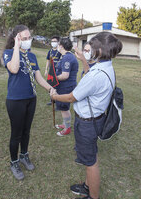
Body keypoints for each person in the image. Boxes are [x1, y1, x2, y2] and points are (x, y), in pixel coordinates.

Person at [50, 32, 122, 199]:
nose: (87, 51)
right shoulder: (106, 66)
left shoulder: (97, 75)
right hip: (95, 120)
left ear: (100, 51)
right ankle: (87, 186)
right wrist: (84, 60)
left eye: (91, 48)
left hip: (87, 124)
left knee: (91, 163)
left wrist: (54, 96)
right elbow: (89, 74)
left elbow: (71, 97)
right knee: (91, 157)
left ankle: (92, 196)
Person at [3, 25, 53, 180]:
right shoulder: (9, 53)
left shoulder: (31, 57)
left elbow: (38, 77)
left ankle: (24, 155)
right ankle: (14, 162)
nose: (28, 41)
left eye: (28, 37)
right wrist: (17, 47)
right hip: (16, 100)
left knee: (26, 131)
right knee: (16, 133)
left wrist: (51, 89)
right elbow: (14, 69)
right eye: (23, 38)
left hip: (31, 98)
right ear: (16, 39)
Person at [54, 37, 79, 136]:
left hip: (65, 87)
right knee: (63, 108)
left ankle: (67, 128)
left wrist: (54, 78)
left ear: (61, 46)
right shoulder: (66, 56)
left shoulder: (67, 57)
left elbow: (65, 75)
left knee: (64, 108)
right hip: (64, 86)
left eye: (59, 44)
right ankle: (65, 124)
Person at [44, 36, 62, 105]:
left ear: (58, 42)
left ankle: (59, 101)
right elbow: (48, 60)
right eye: (52, 41)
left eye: (55, 41)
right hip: (51, 71)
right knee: (51, 85)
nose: (53, 43)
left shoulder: (60, 51)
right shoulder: (50, 51)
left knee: (58, 86)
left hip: (58, 71)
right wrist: (46, 69)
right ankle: (52, 100)